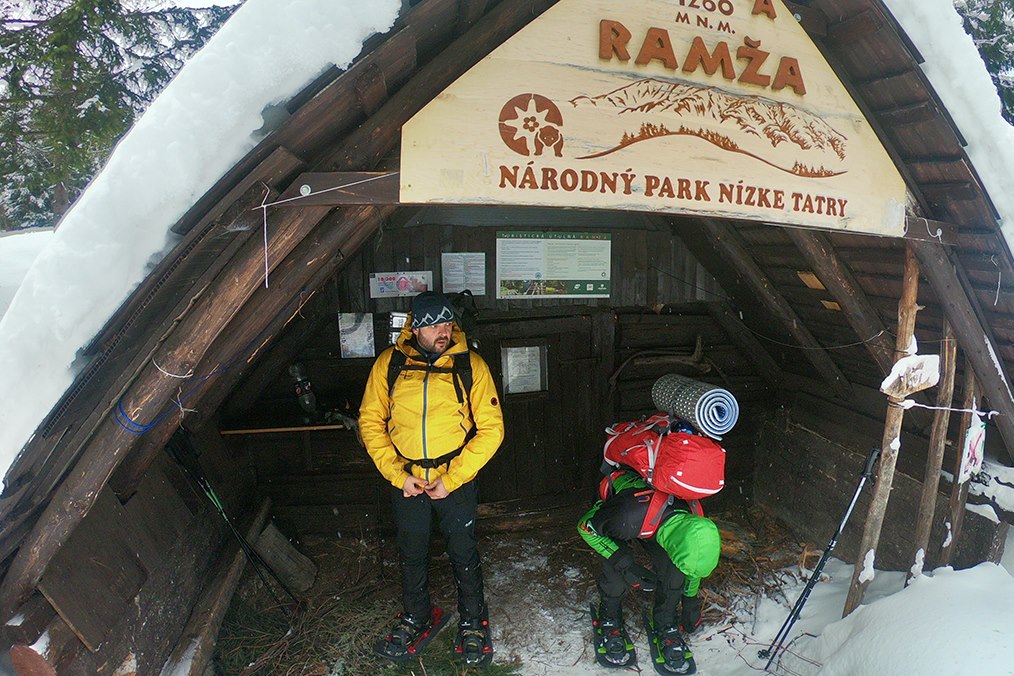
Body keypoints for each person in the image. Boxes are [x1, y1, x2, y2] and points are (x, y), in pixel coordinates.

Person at [360, 291, 505, 666]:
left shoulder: (469, 365)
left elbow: (491, 429)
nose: (442, 331)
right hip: (407, 479)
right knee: (411, 552)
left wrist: (453, 478)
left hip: (453, 478)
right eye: (433, 324)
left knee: (463, 551)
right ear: (416, 327)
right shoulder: (389, 365)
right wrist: (398, 474)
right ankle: (416, 615)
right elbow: (370, 422)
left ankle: (473, 621)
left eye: (446, 323)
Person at [578, 469, 721, 674]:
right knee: (616, 566)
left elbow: (691, 563)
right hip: (627, 511)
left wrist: (690, 600)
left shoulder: (695, 519)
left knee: (674, 571)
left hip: (658, 525)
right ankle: (609, 614)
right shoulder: (625, 515)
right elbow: (585, 527)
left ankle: (665, 621)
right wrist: (624, 562)